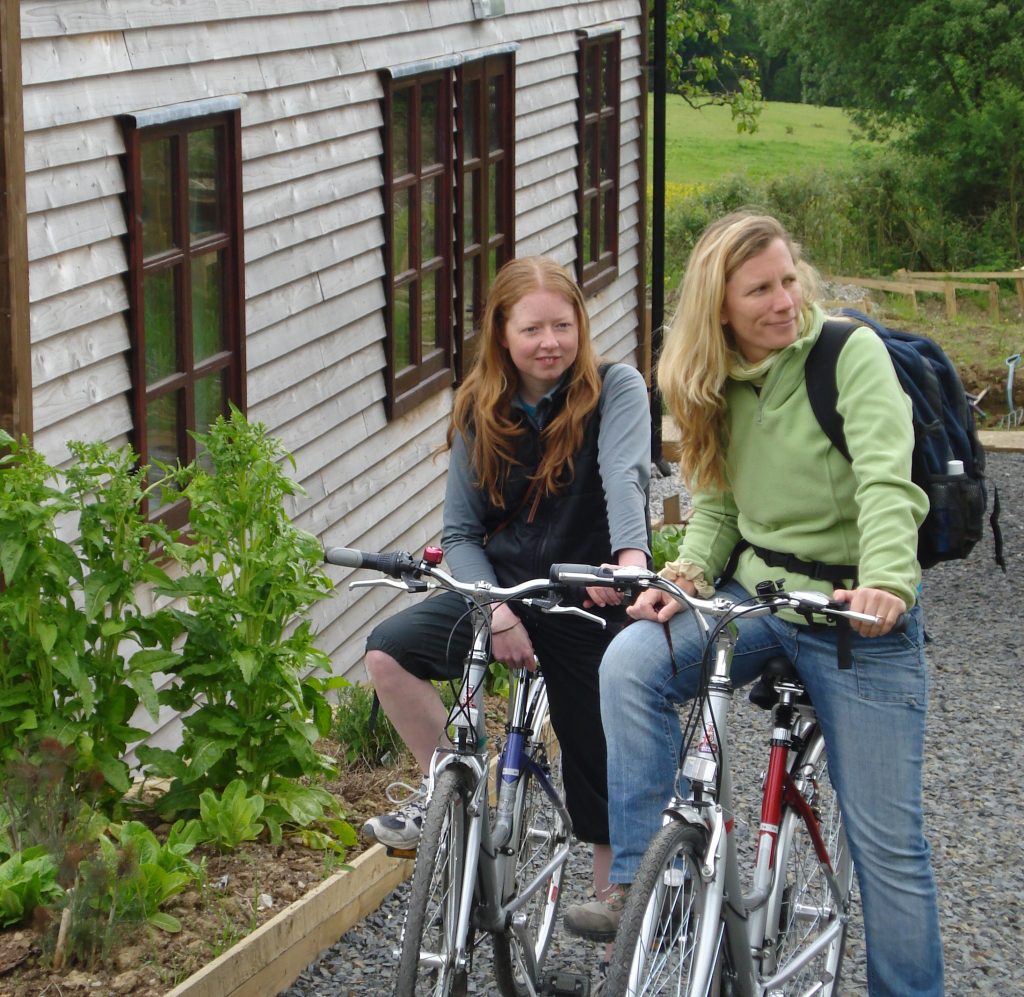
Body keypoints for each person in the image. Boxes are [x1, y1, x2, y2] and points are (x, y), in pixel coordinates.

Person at [564, 212, 944, 996]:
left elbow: (886, 484)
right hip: (761, 597)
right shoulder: (708, 380)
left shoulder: (847, 353)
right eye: (760, 289)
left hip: (853, 615)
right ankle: (650, 892)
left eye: (787, 279)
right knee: (630, 663)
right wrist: (694, 575)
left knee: (889, 848)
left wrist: (886, 584)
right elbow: (717, 505)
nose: (785, 300)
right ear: (721, 308)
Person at [360, 256, 651, 911]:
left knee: (601, 765)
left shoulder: (615, 390)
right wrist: (495, 612)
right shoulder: (479, 407)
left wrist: (630, 560)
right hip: (500, 592)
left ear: (580, 325)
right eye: (532, 329)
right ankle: (455, 790)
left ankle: (620, 934)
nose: (550, 342)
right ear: (501, 334)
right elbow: (460, 533)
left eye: (563, 325)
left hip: (588, 592)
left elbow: (624, 476)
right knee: (389, 650)